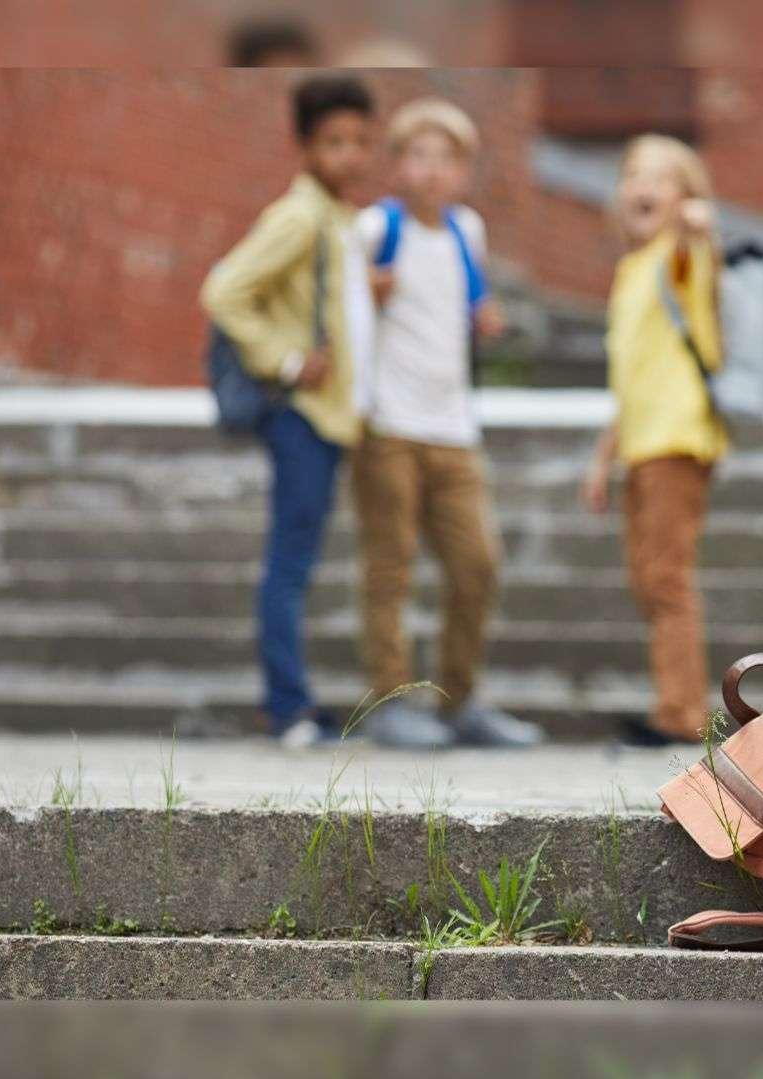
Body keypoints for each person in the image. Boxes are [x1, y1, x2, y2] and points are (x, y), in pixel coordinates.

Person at [347, 98, 542, 749]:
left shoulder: (467, 230)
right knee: (390, 565)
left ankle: (460, 699)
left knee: (477, 563)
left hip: (454, 427)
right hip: (388, 426)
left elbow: (466, 300)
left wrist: (484, 317)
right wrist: (364, 298)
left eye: (446, 159)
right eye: (418, 156)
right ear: (398, 165)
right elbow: (345, 316)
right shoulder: (375, 228)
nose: (432, 171)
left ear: (463, 171)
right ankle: (392, 699)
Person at [201, 74, 374, 746]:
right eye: (334, 141)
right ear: (304, 146)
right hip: (301, 414)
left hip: (333, 416)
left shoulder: (343, 219)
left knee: (297, 558)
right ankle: (286, 707)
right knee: (289, 562)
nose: (350, 155)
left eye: (361, 141)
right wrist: (287, 360)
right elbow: (224, 291)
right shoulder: (299, 216)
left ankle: (292, 700)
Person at [580, 134, 724, 748]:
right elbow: (631, 376)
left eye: (660, 178)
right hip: (640, 443)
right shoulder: (631, 269)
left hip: (677, 438)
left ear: (684, 196)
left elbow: (700, 251)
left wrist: (697, 226)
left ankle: (682, 713)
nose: (642, 187)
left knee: (666, 578)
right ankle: (674, 703)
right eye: (632, 174)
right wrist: (602, 458)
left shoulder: (677, 258)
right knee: (649, 579)